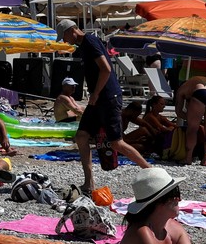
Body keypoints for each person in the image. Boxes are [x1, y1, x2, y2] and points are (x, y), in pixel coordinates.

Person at [60, 20, 147, 193]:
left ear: (72, 31)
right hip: (97, 100)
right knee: (82, 136)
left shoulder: (90, 41)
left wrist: (96, 93)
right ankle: (89, 183)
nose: (64, 41)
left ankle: (153, 172)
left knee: (117, 143)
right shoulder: (83, 46)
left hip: (107, 97)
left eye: (64, 36)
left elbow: (106, 69)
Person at [175, 72, 206, 165]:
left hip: (200, 92)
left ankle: (188, 158)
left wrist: (192, 119)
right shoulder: (194, 81)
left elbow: (178, 111)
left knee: (192, 128)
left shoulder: (181, 90)